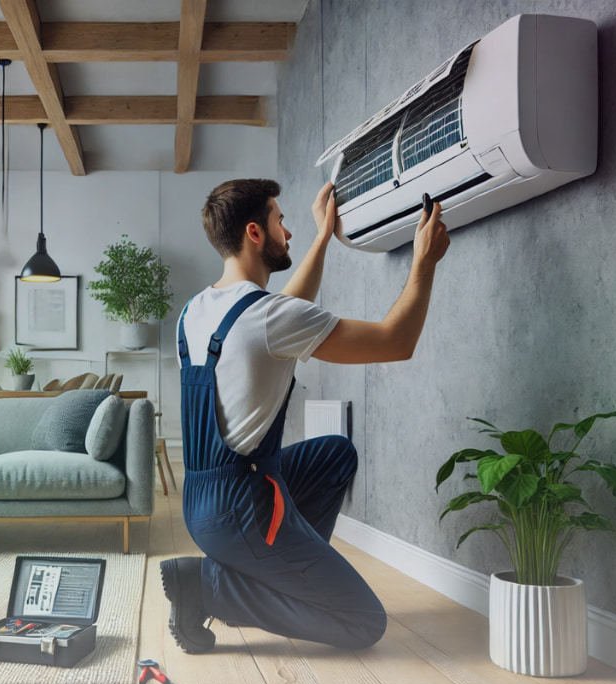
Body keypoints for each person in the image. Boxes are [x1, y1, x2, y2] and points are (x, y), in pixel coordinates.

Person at [161, 178, 449, 652]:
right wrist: (424, 261)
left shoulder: (195, 313)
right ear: (255, 233)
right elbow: (396, 342)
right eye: (281, 221)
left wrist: (321, 237)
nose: (288, 232)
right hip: (242, 509)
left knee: (333, 455)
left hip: (202, 502)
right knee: (363, 622)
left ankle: (275, 575)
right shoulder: (270, 318)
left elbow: (284, 314)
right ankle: (208, 586)